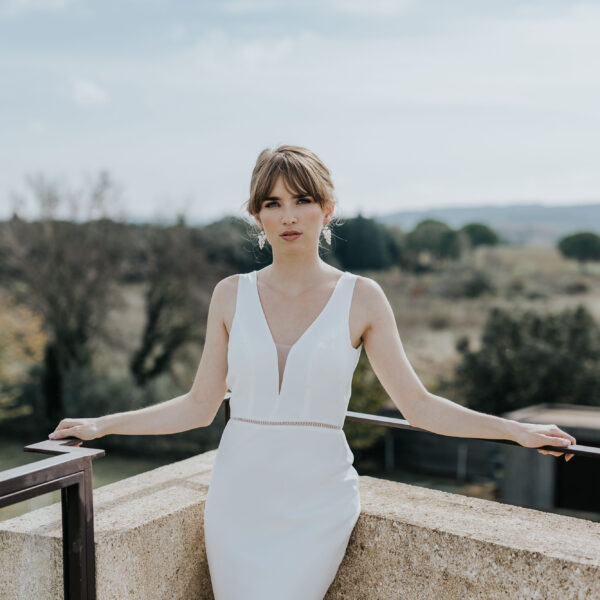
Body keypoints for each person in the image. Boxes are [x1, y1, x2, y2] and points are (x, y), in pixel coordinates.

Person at [48, 144, 576, 599]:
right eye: (273, 203)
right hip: (238, 499)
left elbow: (418, 406)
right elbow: (198, 406)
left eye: (302, 200)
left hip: (316, 502)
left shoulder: (362, 298)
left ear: (327, 209)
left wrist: (516, 431)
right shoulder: (230, 294)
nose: (289, 216)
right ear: (257, 216)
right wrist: (103, 425)